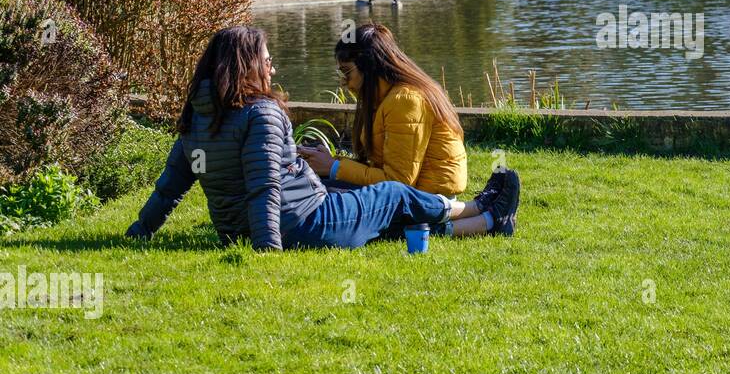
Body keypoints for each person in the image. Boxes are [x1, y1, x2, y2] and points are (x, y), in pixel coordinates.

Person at [125, 27, 519, 250]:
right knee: (393, 198)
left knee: (366, 204)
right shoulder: (260, 113)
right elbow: (264, 188)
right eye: (266, 61)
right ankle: (477, 210)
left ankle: (484, 218)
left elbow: (170, 186)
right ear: (248, 67)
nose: (273, 68)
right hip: (304, 224)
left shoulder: (198, 115)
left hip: (237, 229)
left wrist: (139, 232)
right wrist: (267, 247)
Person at [298, 24, 469, 198]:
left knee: (315, 195)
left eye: (346, 72)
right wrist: (331, 162)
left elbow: (399, 182)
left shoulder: (405, 101)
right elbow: (383, 170)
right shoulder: (387, 97)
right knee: (310, 187)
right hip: (414, 194)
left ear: (369, 65)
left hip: (426, 200)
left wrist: (333, 168)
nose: (344, 83)